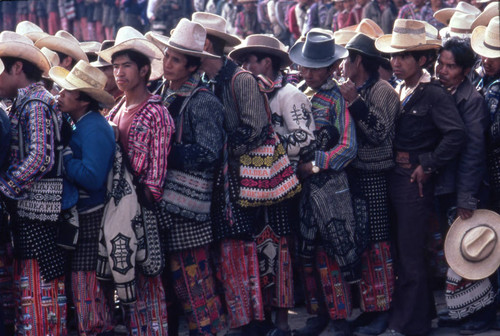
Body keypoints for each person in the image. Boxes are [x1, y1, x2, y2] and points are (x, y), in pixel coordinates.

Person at [375, 19, 466, 336]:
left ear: (423, 60)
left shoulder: (434, 94)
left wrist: (427, 164)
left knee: (411, 253)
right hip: (397, 177)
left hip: (414, 181)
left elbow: (455, 135)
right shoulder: (402, 89)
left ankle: (407, 325)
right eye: (394, 56)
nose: (395, 63)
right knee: (406, 251)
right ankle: (422, 314)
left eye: (403, 57)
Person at [229, 34, 316, 336]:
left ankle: (281, 321)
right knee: (258, 247)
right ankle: (262, 316)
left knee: (279, 248)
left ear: (267, 62)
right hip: (254, 184)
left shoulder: (289, 95)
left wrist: (269, 147)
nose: (245, 66)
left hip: (281, 184)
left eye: (250, 60)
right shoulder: (251, 94)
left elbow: (305, 137)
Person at [150, 19, 227, 336]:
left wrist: (163, 152)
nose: (168, 63)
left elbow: (209, 152)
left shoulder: (203, 101)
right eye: (167, 56)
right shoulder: (162, 93)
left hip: (189, 212)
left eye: (176, 59)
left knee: (195, 284)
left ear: (193, 65)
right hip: (163, 207)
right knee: (168, 286)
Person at [194, 12, 269, 336]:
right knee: (228, 250)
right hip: (226, 181)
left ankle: (249, 319)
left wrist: (222, 147)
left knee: (240, 248)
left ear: (207, 45)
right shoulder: (210, 81)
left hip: (242, 181)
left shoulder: (240, 80)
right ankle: (241, 316)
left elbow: (256, 130)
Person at [99, 26, 174, 335]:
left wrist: (141, 199)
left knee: (148, 276)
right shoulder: (116, 110)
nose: (119, 72)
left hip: (144, 208)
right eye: (116, 66)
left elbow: (156, 176)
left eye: (126, 66)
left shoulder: (156, 112)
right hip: (117, 204)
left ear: (144, 70)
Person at [289, 31, 358, 336]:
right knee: (307, 250)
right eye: (305, 67)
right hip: (303, 188)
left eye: (316, 68)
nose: (308, 73)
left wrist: (315, 165)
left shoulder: (337, 100)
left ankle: (340, 316)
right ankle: (318, 314)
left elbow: (348, 146)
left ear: (331, 69)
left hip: (330, 188)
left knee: (333, 249)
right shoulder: (298, 95)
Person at [0, 31, 67, 336]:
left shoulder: (37, 104)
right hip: (29, 212)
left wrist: (5, 189)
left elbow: (41, 157)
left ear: (16, 69)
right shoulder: (23, 103)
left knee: (41, 294)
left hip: (39, 214)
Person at [337, 32, 399, 336]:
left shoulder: (384, 90)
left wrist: (354, 102)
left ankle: (383, 309)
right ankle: (370, 306)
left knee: (378, 243)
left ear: (358, 60)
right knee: (361, 243)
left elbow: (378, 132)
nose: (343, 66)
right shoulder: (354, 88)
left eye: (347, 59)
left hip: (376, 174)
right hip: (354, 174)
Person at [49, 60, 116, 336]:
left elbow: (92, 176)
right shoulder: (81, 123)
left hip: (91, 216)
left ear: (83, 100)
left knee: (86, 281)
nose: (60, 95)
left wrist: (66, 159)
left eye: (68, 91)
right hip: (83, 213)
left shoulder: (95, 128)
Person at [435, 36, 493, 336]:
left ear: (467, 70)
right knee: (453, 252)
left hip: (465, 188)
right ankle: (461, 310)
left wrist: (466, 198)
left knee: (472, 253)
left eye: (451, 66)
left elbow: (473, 154)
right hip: (446, 186)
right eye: (440, 64)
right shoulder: (439, 92)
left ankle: (481, 313)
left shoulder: (472, 100)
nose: (443, 70)